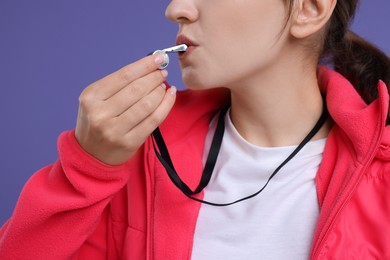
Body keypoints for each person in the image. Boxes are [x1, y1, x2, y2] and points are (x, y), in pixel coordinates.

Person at [1, 0, 390, 259]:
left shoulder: (382, 178)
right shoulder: (138, 158)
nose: (176, 9)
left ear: (307, 9)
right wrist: (87, 171)